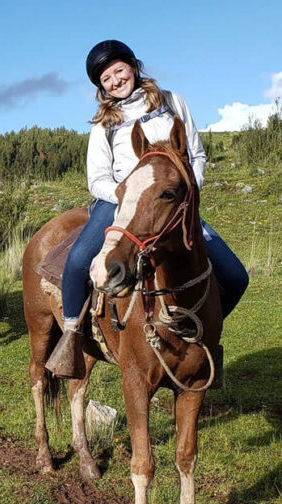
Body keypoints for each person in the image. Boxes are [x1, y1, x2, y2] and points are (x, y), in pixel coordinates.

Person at [46, 40, 249, 379]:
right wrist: (130, 197)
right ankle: (70, 335)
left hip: (171, 205)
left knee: (235, 276)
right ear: (101, 88)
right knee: (80, 259)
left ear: (133, 67)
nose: (115, 81)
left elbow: (195, 154)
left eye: (119, 71)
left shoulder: (172, 102)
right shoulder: (103, 123)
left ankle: (203, 336)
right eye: (105, 78)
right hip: (118, 203)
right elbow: (96, 179)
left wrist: (187, 193)